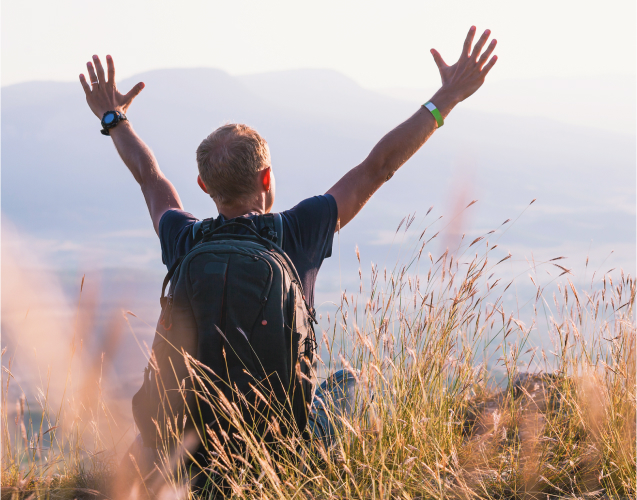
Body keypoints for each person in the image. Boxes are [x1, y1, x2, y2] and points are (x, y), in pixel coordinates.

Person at [79, 26, 497, 488]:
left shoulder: (184, 239)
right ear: (267, 178)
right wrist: (447, 98)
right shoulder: (299, 230)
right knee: (348, 385)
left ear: (203, 187)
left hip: (189, 450)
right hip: (282, 450)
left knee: (139, 443)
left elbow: (150, 177)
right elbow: (378, 166)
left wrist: (114, 118)